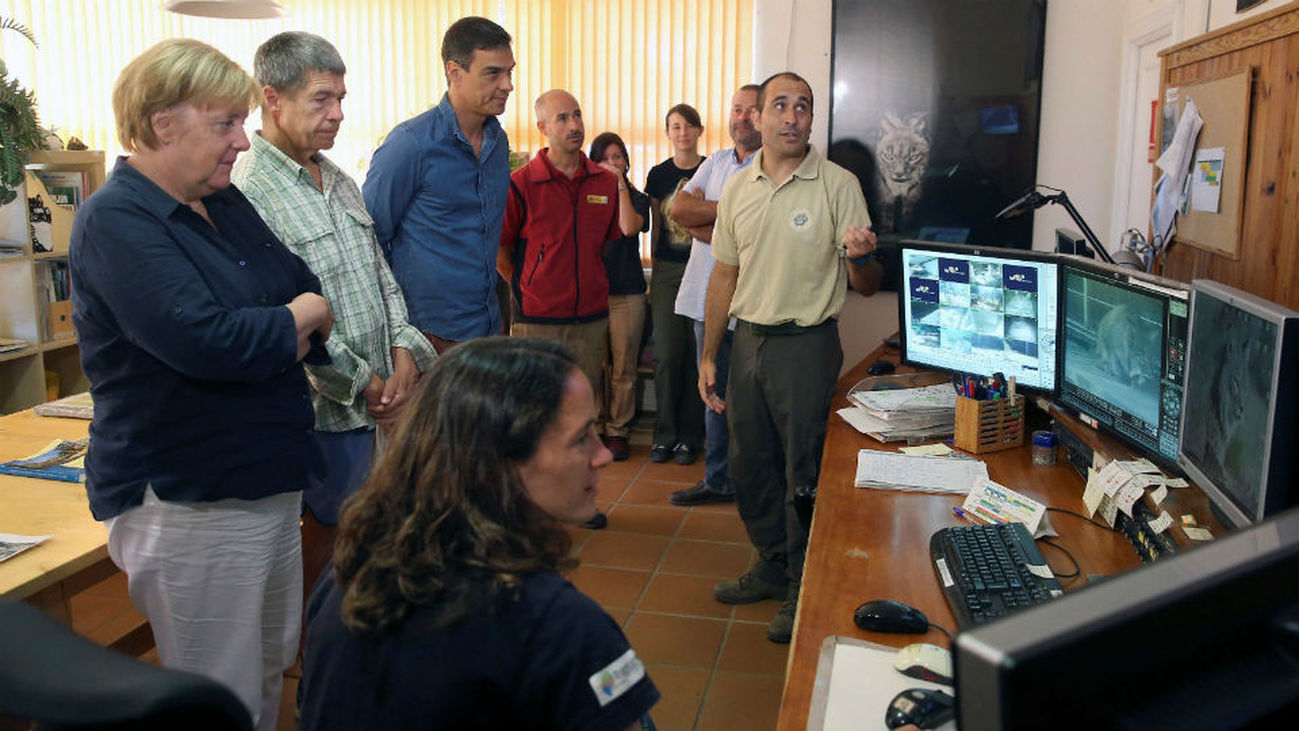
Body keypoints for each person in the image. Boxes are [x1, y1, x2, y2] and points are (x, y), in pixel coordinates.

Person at [69, 39, 334, 729]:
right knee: (219, 694)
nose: (242, 142)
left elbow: (301, 284)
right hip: (191, 498)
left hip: (264, 480)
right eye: (225, 124)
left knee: (266, 669)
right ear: (163, 124)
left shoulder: (220, 199)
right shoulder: (117, 220)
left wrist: (288, 318)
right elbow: (209, 342)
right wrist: (296, 319)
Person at [298, 337, 660, 730]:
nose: (602, 455)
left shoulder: (347, 575)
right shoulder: (560, 626)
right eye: (580, 438)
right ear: (500, 464)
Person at [232, 31, 438, 602]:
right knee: (330, 565)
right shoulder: (248, 192)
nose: (338, 114)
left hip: (383, 403)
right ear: (273, 99)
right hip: (326, 414)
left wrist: (404, 353)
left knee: (382, 551)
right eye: (321, 99)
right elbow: (282, 316)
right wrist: (366, 383)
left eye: (341, 98)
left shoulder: (340, 179)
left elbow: (381, 276)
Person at [699, 72, 884, 644]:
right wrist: (709, 355)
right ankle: (772, 565)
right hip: (747, 343)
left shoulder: (838, 185)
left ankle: (803, 583)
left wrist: (860, 258)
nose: (792, 116)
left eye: (802, 106)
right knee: (749, 465)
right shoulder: (738, 187)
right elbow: (723, 275)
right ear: (757, 117)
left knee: (801, 473)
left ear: (810, 118)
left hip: (806, 345)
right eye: (780, 105)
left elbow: (867, 284)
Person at [499, 89, 621, 528]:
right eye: (563, 118)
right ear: (543, 128)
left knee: (581, 421)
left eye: (578, 115)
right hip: (536, 322)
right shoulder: (520, 184)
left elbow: (604, 243)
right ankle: (529, 505)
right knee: (534, 417)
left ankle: (578, 501)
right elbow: (502, 249)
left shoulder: (604, 183)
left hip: (590, 320)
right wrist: (529, 287)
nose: (575, 126)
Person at [363, 16, 514, 353]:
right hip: (428, 336)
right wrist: (397, 336)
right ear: (454, 72)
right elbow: (369, 240)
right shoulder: (410, 144)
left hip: (488, 326)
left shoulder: (498, 141)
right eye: (493, 73)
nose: (507, 85)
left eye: (510, 72)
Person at [665, 85, 763, 506]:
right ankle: (718, 479)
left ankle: (753, 482)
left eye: (751, 110)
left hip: (751, 304)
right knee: (714, 394)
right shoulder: (717, 161)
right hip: (707, 301)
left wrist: (709, 220)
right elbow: (679, 211)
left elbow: (759, 230)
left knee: (750, 400)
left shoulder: (771, 167)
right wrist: (733, 218)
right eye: (736, 109)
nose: (741, 117)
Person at [643, 104, 707, 467]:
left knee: (697, 355)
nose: (682, 133)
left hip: (703, 268)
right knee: (667, 354)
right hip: (667, 271)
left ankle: (690, 437)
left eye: (688, 126)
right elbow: (656, 227)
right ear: (668, 133)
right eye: (675, 127)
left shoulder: (711, 170)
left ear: (699, 130)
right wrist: (654, 273)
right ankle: (664, 436)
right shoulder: (658, 175)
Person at [588, 132, 650, 462]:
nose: (612, 163)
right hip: (593, 294)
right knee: (595, 366)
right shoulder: (587, 197)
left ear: (625, 161)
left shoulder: (637, 198)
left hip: (628, 293)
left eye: (617, 157)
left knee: (624, 367)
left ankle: (618, 431)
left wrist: (619, 186)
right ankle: (595, 426)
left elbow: (628, 228)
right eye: (604, 158)